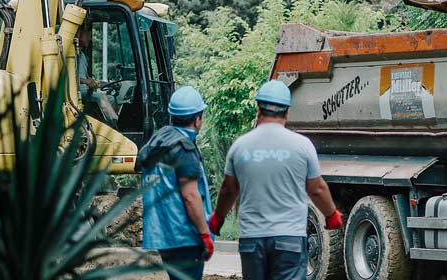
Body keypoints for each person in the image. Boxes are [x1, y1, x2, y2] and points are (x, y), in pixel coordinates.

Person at [208, 80, 343, 280]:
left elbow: (229, 189)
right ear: (287, 112)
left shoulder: (240, 146)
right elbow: (316, 189)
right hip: (289, 238)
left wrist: (217, 218)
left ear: (258, 109)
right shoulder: (302, 146)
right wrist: (331, 214)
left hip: (252, 239)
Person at [136, 86, 215, 280]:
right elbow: (190, 196)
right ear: (197, 120)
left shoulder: (157, 141)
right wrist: (205, 234)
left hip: (164, 236)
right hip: (186, 237)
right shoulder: (184, 148)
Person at [75, 24, 118, 125]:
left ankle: (115, 122)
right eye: (88, 36)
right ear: (79, 35)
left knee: (111, 97)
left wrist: (99, 82)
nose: (89, 39)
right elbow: (68, 78)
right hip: (77, 92)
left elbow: (85, 77)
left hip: (85, 90)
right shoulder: (71, 56)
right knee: (101, 97)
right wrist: (85, 81)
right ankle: (114, 126)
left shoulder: (82, 56)